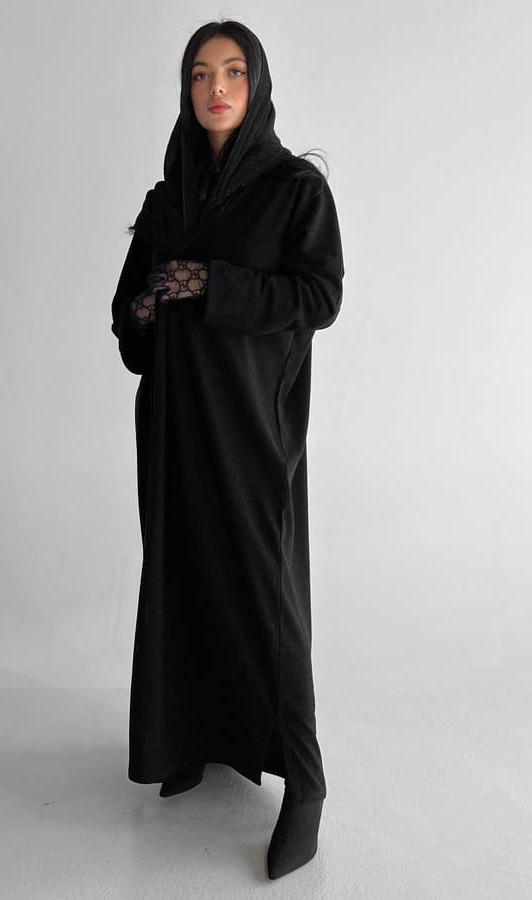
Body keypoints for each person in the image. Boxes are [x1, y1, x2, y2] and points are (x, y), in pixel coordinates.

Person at [110, 19, 344, 880]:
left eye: (234, 71)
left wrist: (212, 283)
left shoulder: (293, 190)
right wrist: (146, 307)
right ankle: (190, 737)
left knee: (267, 595)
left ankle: (307, 785)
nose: (216, 87)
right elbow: (127, 318)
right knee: (183, 577)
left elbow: (319, 297)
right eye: (202, 73)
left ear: (257, 84)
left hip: (251, 427)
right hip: (174, 424)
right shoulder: (167, 198)